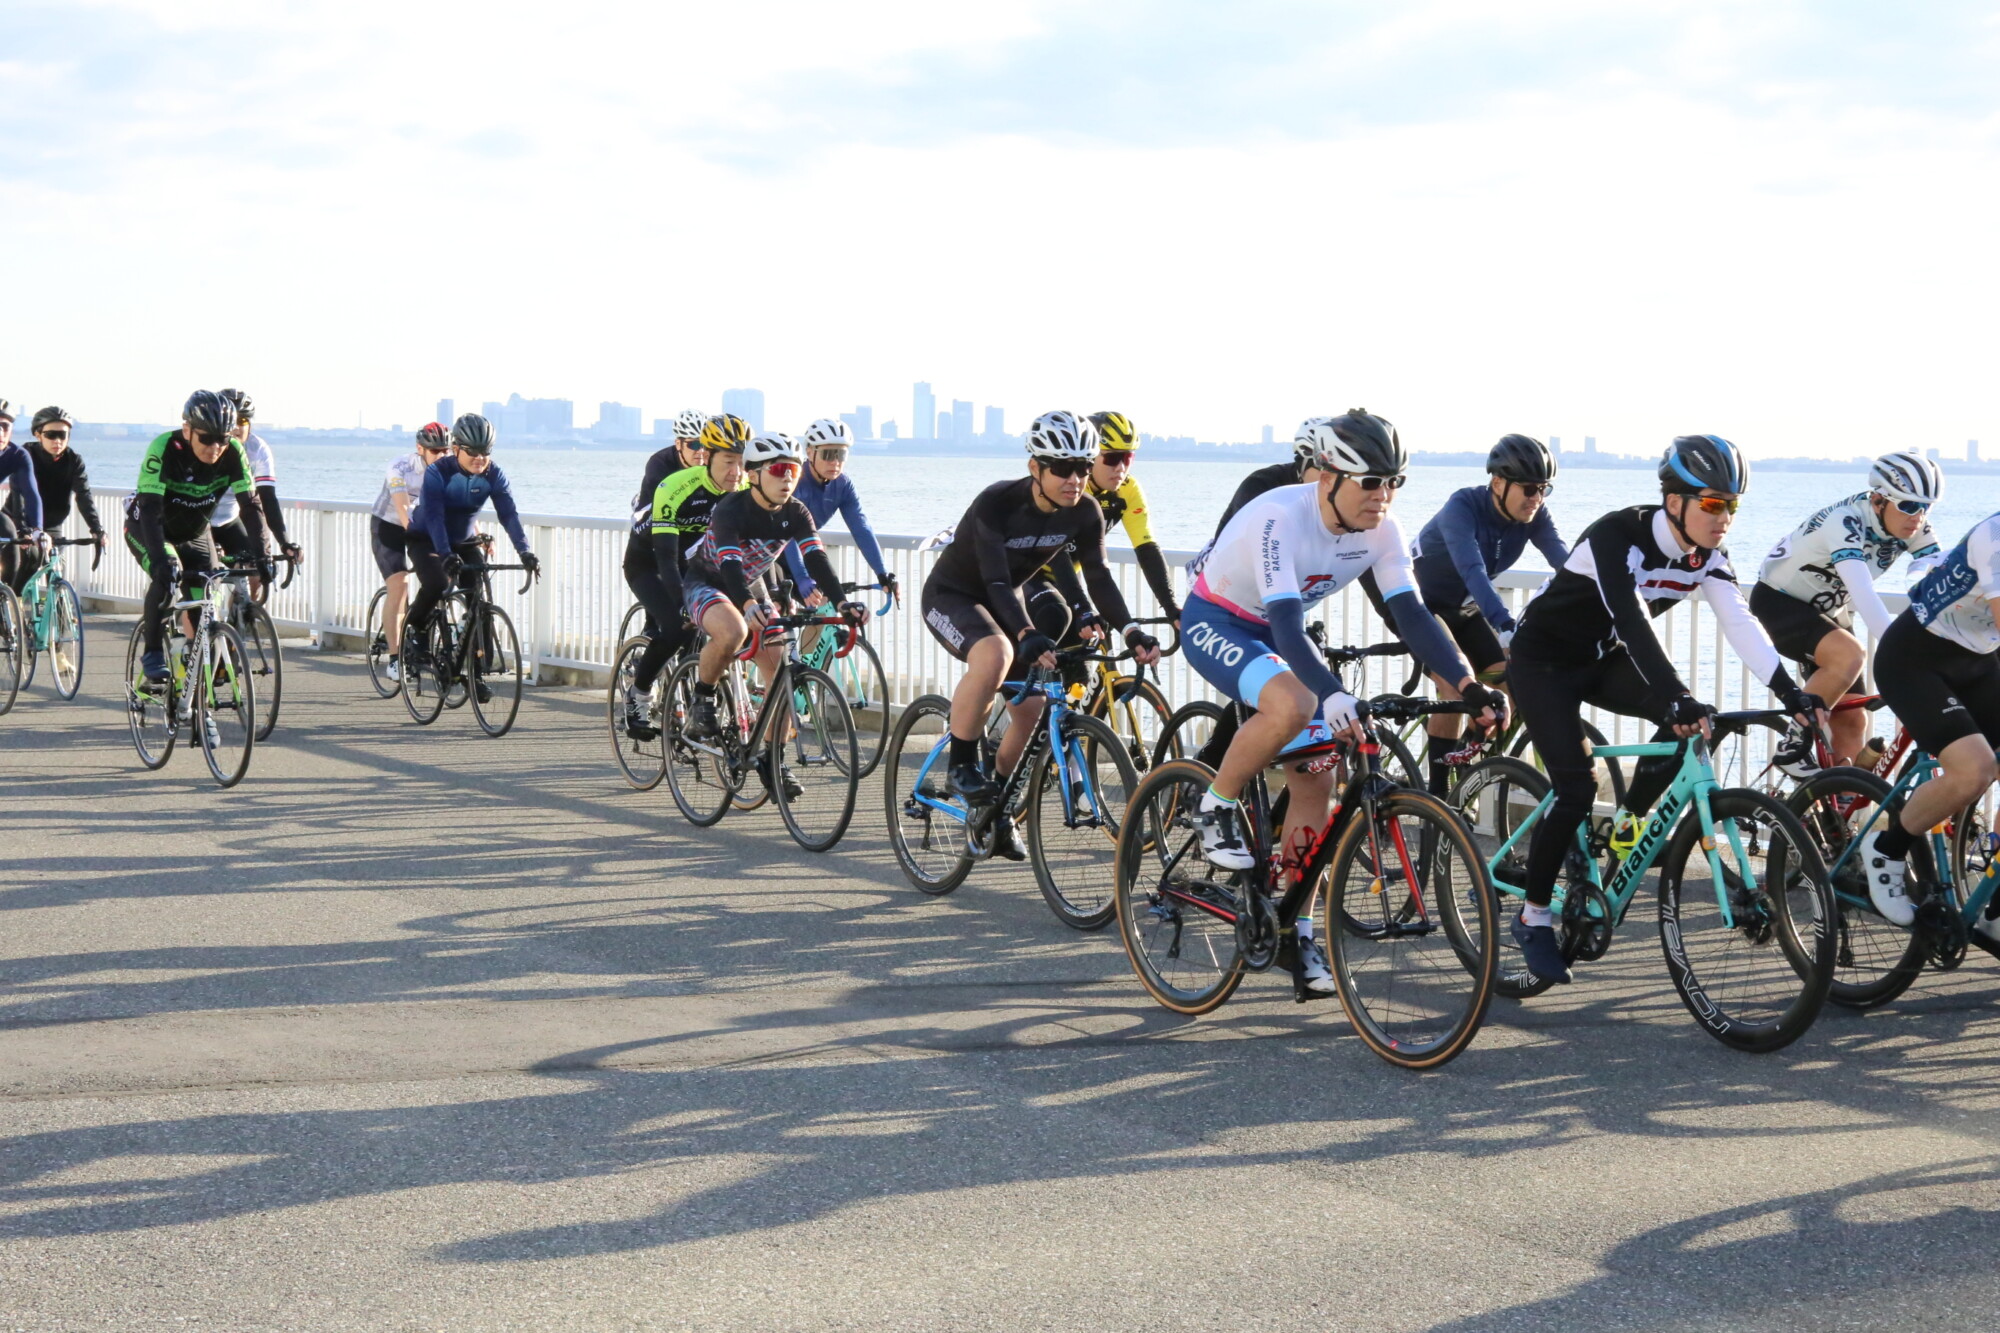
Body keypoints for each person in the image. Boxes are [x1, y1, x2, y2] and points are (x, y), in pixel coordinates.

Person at [1181, 408, 1504, 993]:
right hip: (1219, 621)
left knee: (1317, 778)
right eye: (1370, 482)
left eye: (1393, 482)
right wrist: (1332, 693)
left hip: (1273, 634)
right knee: (1294, 704)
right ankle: (1214, 805)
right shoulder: (1280, 515)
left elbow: (1413, 615)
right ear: (1328, 477)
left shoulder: (1384, 529)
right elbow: (1285, 623)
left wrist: (1467, 685)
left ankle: (1295, 930)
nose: (1383, 496)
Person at [1506, 435, 1823, 984]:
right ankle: (1532, 917)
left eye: (1732, 505)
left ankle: (1628, 825)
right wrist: (1675, 690)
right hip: (1543, 663)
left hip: (1600, 658)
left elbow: (1740, 621)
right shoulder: (1617, 535)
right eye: (1712, 503)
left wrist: (1789, 693)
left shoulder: (1708, 556)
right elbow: (1630, 618)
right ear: (1674, 501)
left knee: (1690, 724)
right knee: (1577, 787)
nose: (1724, 517)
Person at [918, 411, 1163, 861]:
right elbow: (995, 581)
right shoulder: (997, 502)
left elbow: (1098, 576)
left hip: (1004, 600)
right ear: (1036, 467)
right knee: (995, 653)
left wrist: (1131, 631)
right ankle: (961, 765)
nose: (1075, 479)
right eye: (1063, 468)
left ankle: (997, 812)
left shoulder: (1085, 511)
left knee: (1031, 712)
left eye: (1083, 467)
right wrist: (1027, 631)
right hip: (953, 595)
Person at [680, 432, 867, 797]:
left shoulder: (796, 512)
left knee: (781, 673)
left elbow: (816, 558)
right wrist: (748, 605)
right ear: (753, 474)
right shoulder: (731, 509)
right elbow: (730, 565)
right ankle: (703, 698)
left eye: (794, 472)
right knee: (733, 631)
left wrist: (842, 603)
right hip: (708, 582)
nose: (788, 479)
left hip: (751, 586)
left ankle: (772, 758)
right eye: (779, 470)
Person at [1752, 451, 1943, 775]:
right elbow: (1863, 592)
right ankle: (1793, 745)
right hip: (1780, 602)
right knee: (1850, 654)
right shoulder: (1845, 521)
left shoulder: (1914, 526)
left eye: (1927, 507)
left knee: (1853, 720)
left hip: (1829, 611)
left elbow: (1940, 579)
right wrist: (1902, 651)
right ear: (1879, 500)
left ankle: (1840, 801)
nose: (1918, 516)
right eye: (1910, 505)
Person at [1861, 507, 2000, 944]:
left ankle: (1995, 908)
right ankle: (1886, 850)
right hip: (1915, 661)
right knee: (1975, 770)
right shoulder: (1995, 535)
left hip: (1979, 661)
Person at [1404, 434, 1568, 793]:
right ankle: (1438, 795)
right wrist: (1504, 624)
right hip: (1421, 608)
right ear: (1498, 483)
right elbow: (1472, 570)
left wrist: (1599, 606)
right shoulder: (1462, 507)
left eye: (1544, 489)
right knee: (1453, 684)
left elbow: (1567, 564)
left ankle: (1465, 759)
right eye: (1529, 488)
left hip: (1465, 609)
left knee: (1512, 687)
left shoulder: (1534, 515)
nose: (1537, 498)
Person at [125, 391, 270, 682]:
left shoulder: (233, 452)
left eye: (223, 439)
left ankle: (195, 669)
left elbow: (251, 506)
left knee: (204, 597)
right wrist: (161, 560)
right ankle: (152, 652)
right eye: (206, 439)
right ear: (187, 430)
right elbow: (150, 508)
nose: (215, 448)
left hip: (195, 533)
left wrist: (263, 556)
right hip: (152, 527)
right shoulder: (164, 447)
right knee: (166, 579)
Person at [621, 414, 749, 738]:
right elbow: (665, 556)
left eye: (742, 462)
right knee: (675, 627)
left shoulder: (745, 488)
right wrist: (681, 603)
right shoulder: (676, 485)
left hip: (694, 565)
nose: (736, 471)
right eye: (728, 462)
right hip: (648, 562)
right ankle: (638, 695)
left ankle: (696, 693)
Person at [401, 413, 540, 694]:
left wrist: (525, 551)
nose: (479, 458)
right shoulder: (438, 472)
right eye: (473, 452)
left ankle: (476, 674)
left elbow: (508, 515)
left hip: (464, 542)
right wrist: (445, 554)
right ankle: (416, 630)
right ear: (456, 449)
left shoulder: (493, 474)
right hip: (426, 539)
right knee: (437, 583)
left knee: (479, 602)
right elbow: (435, 518)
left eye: (485, 452)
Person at [779, 418, 897, 611]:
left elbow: (861, 529)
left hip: (806, 554)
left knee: (823, 608)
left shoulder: (843, 485)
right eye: (828, 454)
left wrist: (882, 573)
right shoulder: (793, 481)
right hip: (773, 553)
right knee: (776, 613)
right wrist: (801, 577)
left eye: (841, 455)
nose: (835, 462)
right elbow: (787, 534)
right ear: (809, 452)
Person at [369, 423, 450, 681]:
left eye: (446, 450)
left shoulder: (449, 470)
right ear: (420, 449)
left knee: (441, 576)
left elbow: (458, 507)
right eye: (435, 450)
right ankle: (395, 660)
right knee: (399, 585)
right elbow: (403, 507)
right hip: (389, 525)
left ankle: (416, 622)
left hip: (421, 526)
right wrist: (416, 532)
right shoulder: (400, 466)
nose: (441, 455)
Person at [207, 389, 302, 592]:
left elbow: (267, 498)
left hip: (228, 520)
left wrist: (284, 542)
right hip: (200, 521)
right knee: (206, 577)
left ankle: (245, 609)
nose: (236, 427)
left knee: (256, 572)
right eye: (231, 420)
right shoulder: (207, 445)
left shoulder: (257, 449)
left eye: (242, 421)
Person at [4, 407, 105, 595]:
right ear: (38, 434)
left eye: (63, 435)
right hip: (18, 521)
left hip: (52, 525)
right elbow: (19, 494)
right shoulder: (25, 455)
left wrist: (96, 529)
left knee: (55, 570)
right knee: (30, 561)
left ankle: (58, 610)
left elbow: (84, 496)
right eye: (51, 435)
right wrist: (23, 528)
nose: (57, 441)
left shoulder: (74, 460)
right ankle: (14, 605)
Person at [1211, 423, 1327, 539]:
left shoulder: (1333, 492)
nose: (1329, 480)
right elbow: (1251, 540)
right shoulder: (1261, 484)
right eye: (1325, 470)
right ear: (1304, 464)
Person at [0, 400, 47, 590]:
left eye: (4, 426)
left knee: (8, 530)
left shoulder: (17, 456)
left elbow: (30, 493)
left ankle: (4, 598)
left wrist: (37, 529)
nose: (0, 432)